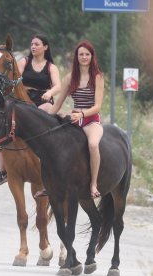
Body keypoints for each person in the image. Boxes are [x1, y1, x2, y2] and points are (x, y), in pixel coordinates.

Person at [0, 34, 61, 186]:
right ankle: (2, 171)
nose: (33, 46)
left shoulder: (51, 67)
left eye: (37, 44)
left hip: (42, 99)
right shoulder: (24, 61)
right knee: (3, 124)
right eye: (32, 44)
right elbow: (15, 76)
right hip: (24, 98)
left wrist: (49, 92)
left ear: (45, 47)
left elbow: (58, 86)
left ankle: (52, 162)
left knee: (49, 111)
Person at [43, 40, 104, 199]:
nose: (84, 57)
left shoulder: (97, 77)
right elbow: (57, 105)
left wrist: (83, 114)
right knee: (53, 144)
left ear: (92, 56)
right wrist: (46, 118)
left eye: (87, 54)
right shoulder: (70, 78)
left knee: (93, 144)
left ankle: (94, 183)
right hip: (74, 120)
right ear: (76, 57)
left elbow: (97, 106)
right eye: (81, 54)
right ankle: (51, 182)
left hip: (91, 120)